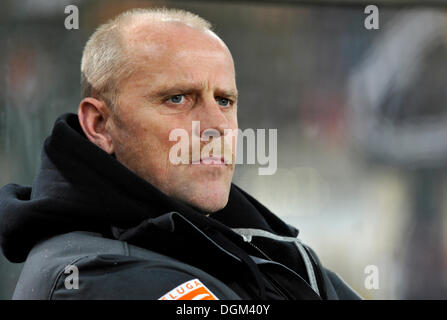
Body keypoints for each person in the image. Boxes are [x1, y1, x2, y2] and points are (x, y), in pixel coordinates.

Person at [0, 7, 361, 300]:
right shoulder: (95, 276)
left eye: (224, 100)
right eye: (177, 98)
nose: (216, 125)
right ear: (99, 125)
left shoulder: (246, 239)